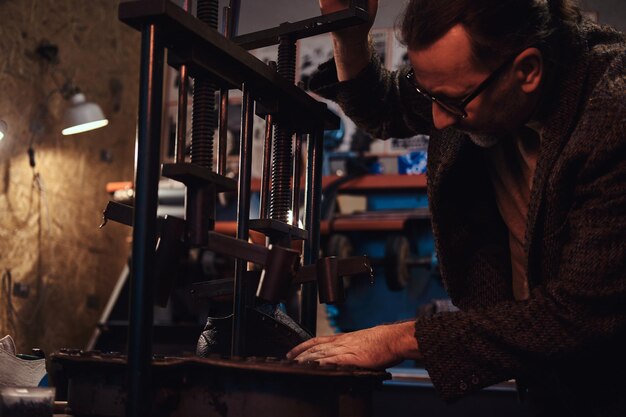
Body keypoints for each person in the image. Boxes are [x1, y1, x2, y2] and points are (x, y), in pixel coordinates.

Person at [287, 0, 626, 415]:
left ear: (528, 71)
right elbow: (386, 106)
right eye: (426, 94)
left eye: (451, 101)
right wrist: (349, 31)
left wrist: (400, 339)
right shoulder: (477, 82)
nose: (437, 120)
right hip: (550, 378)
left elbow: (581, 315)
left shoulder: (613, 113)